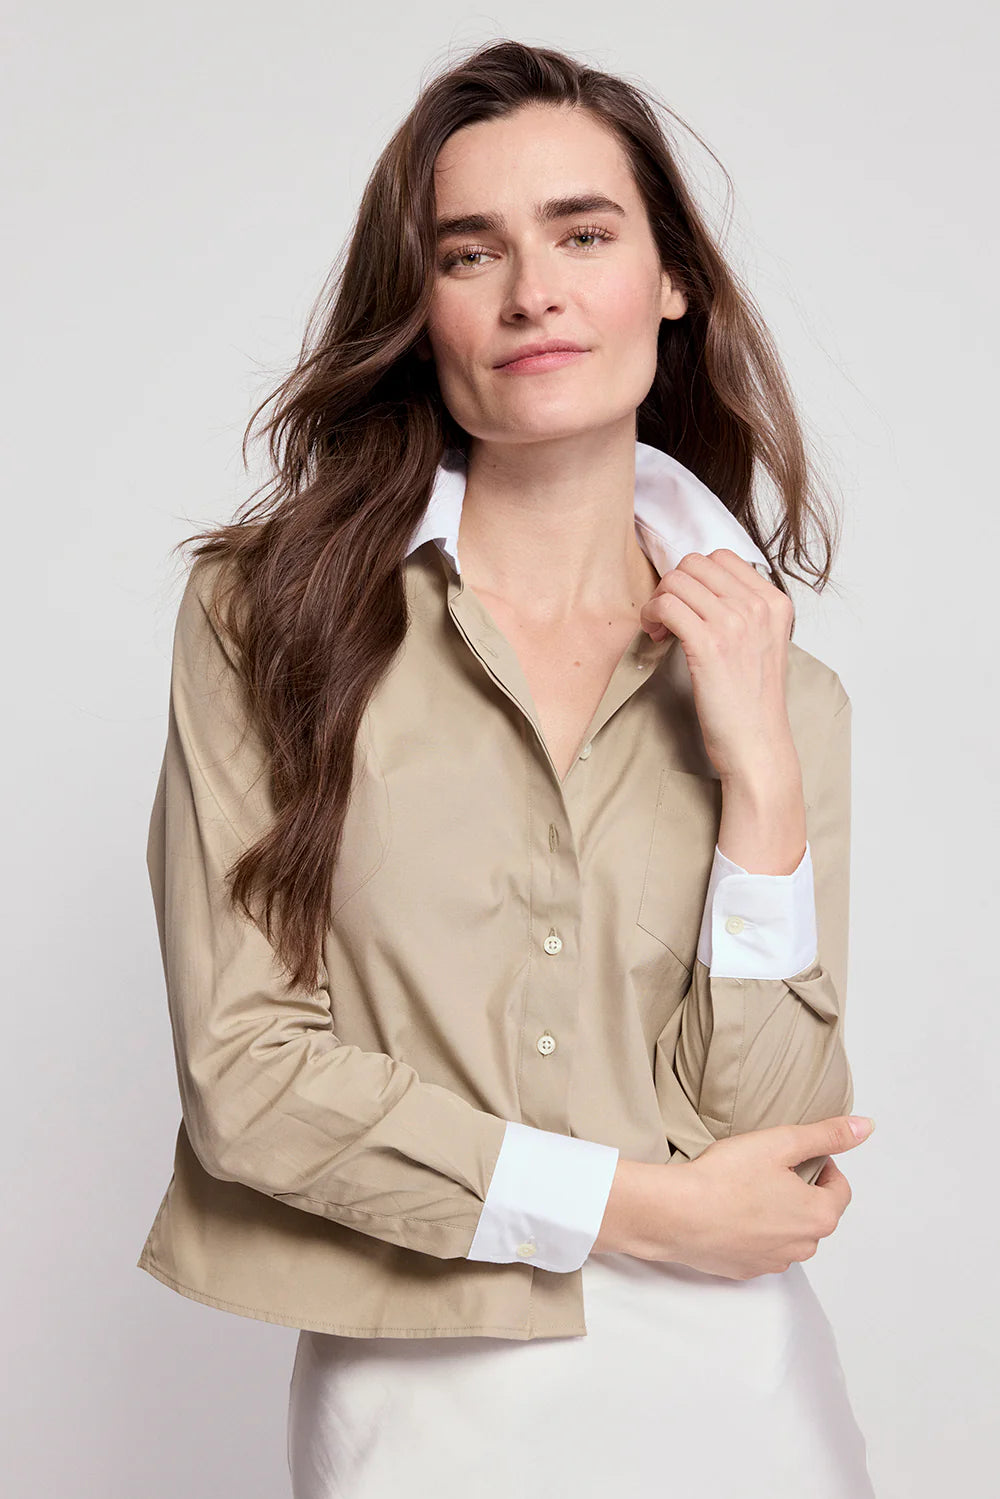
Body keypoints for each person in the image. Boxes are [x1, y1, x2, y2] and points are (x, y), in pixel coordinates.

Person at [136, 38, 878, 1499]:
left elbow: (768, 1135)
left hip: (741, 1405)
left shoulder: (781, 685)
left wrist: (762, 781)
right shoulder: (266, 619)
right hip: (419, 1409)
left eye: (584, 234)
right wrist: (640, 1209)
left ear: (673, 279)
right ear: (417, 310)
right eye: (469, 253)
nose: (534, 291)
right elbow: (249, 1080)